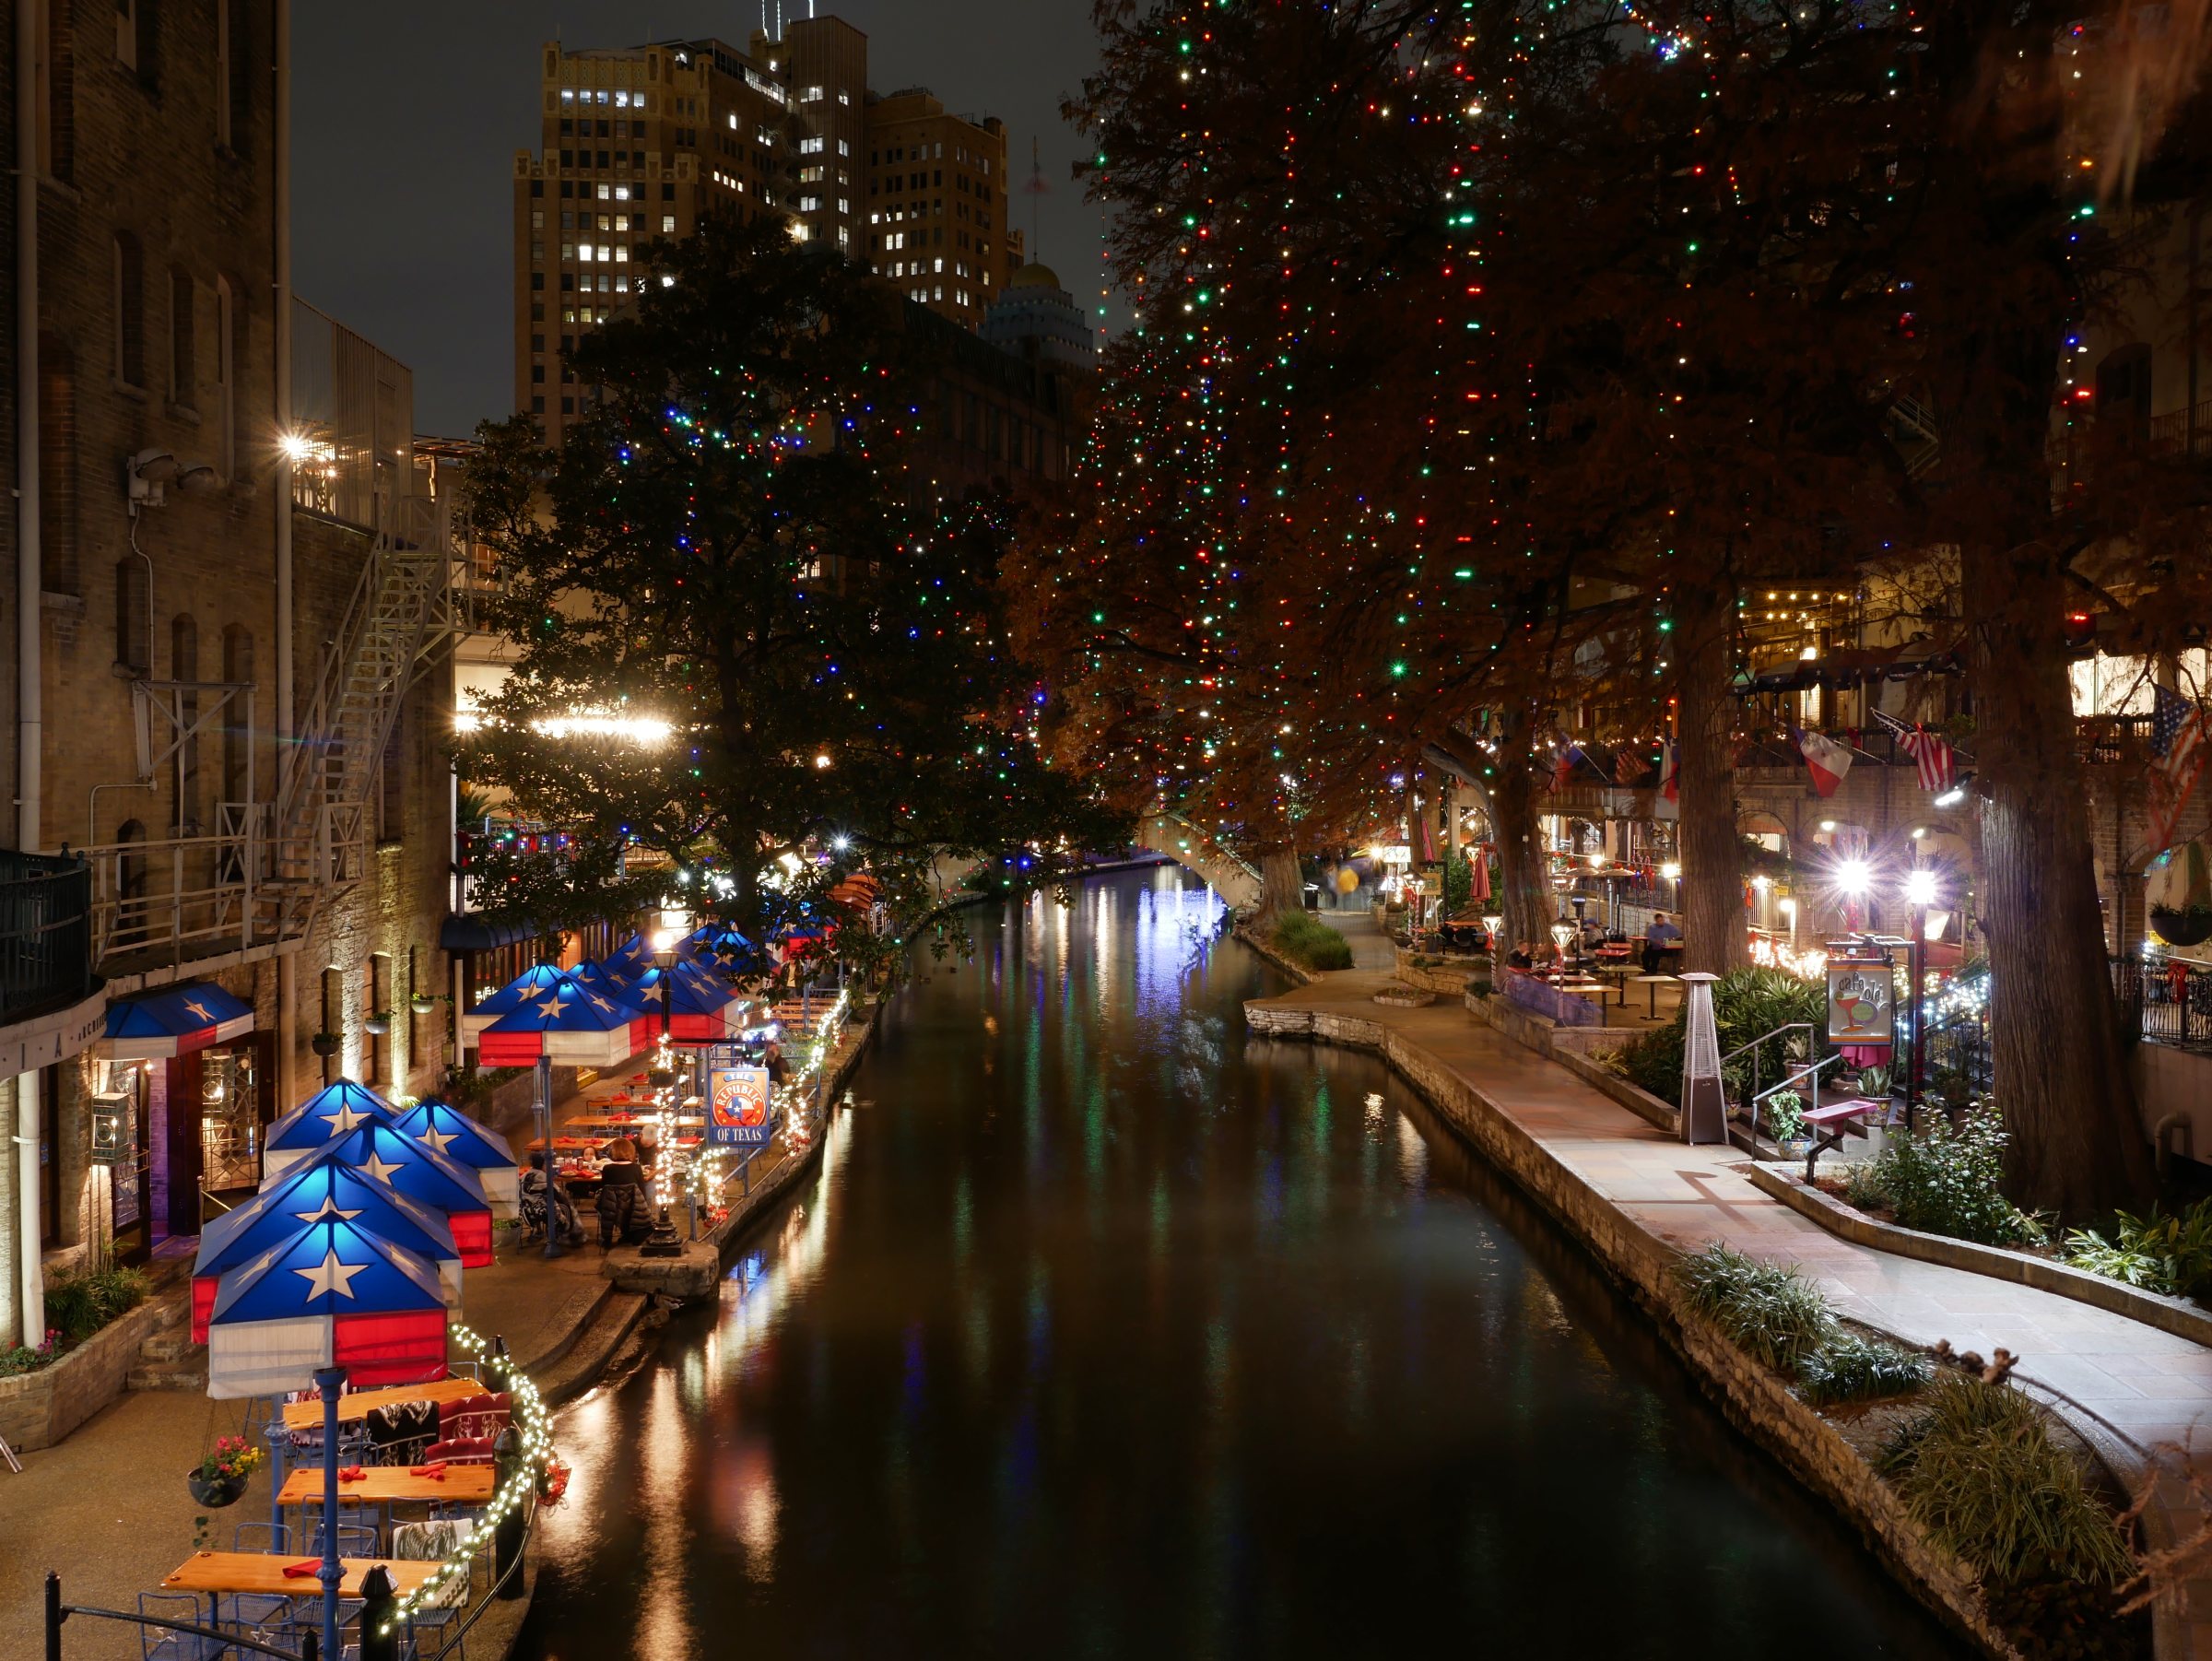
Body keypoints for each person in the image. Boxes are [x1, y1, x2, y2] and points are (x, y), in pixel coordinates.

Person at [594, 1137, 654, 1249]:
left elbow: (604, 1189)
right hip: (633, 1209)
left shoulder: (607, 1168)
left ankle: (607, 1238)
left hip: (612, 1209)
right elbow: (642, 1192)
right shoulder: (636, 1168)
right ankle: (630, 1233)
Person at [520, 1150, 584, 1246]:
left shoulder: (524, 1176)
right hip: (542, 1211)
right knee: (567, 1206)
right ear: (543, 1164)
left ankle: (538, 1231)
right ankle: (569, 1235)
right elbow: (557, 1193)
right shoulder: (543, 1177)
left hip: (525, 1210)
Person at [1642, 911, 1682, 975]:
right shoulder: (1652, 927)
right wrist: (1656, 941)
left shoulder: (1669, 927)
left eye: (1662, 920)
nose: (1661, 922)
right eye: (1659, 921)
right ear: (1656, 921)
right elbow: (1650, 938)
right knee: (1645, 954)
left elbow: (1678, 935)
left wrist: (1673, 939)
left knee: (1656, 953)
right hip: (1655, 946)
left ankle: (1653, 971)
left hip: (1667, 948)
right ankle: (1646, 969)